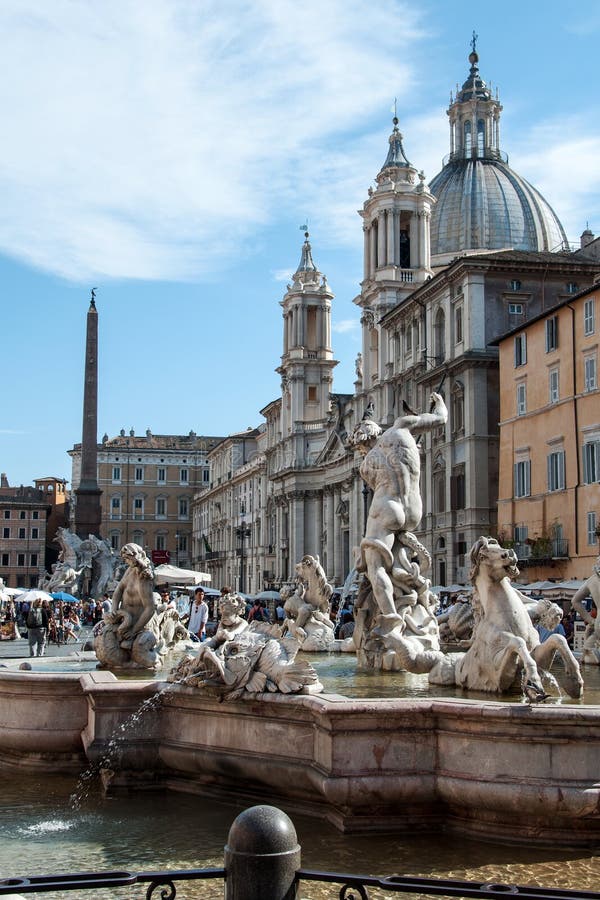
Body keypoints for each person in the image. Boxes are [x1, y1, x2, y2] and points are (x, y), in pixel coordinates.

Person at [354, 391, 448, 635]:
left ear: (362, 443)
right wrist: (439, 403)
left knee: (376, 568)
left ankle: (391, 617)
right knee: (397, 557)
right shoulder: (401, 427)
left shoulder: (365, 465)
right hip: (414, 510)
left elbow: (381, 485)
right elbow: (440, 419)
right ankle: (407, 596)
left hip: (387, 507)